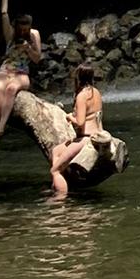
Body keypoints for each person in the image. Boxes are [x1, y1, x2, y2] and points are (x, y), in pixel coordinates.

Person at [0, 0, 40, 150]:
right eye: (21, 26)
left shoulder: (34, 34)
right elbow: (4, 14)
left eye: (26, 26)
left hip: (22, 73)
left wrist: (28, 49)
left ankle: (1, 127)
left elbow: (37, 59)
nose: (24, 29)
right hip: (6, 70)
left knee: (11, 89)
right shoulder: (10, 33)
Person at [48, 64, 106, 200]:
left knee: (54, 170)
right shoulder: (96, 92)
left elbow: (80, 122)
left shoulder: (82, 96)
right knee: (56, 151)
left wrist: (69, 117)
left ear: (78, 78)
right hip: (95, 135)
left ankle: (60, 200)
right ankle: (58, 184)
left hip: (86, 139)